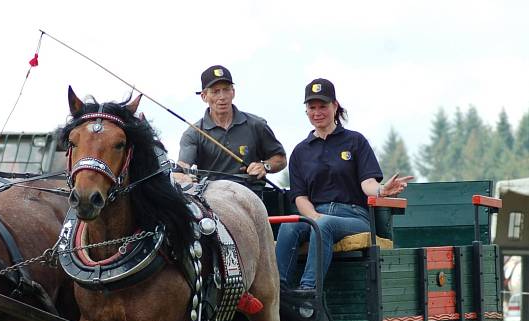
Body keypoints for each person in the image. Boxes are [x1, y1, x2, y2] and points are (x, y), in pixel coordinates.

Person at [275, 77, 413, 304]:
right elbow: (300, 197)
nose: (317, 112)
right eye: (312, 107)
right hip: (316, 214)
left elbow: (367, 184)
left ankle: (308, 291)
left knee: (324, 225)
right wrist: (315, 218)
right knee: (289, 225)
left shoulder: (355, 141)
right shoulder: (300, 151)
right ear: (306, 111)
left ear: (335, 106)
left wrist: (382, 190)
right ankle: (279, 291)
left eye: (323, 106)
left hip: (354, 217)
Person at [175, 65, 286, 191]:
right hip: (212, 198)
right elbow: (183, 166)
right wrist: (181, 175)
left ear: (233, 92)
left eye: (226, 90)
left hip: (252, 195)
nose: (222, 97)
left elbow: (280, 159)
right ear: (204, 96)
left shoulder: (257, 125)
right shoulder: (193, 133)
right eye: (215, 91)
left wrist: (264, 166)